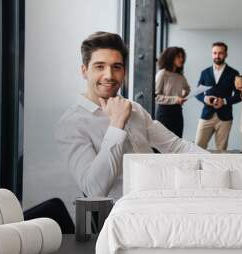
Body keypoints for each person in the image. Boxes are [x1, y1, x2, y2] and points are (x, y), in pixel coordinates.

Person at [55, 32, 205, 200]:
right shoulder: (72, 123)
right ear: (84, 71)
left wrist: (222, 164)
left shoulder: (134, 108)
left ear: (124, 72)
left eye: (116, 67)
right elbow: (94, 190)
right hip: (123, 216)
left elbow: (176, 147)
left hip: (161, 199)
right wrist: (117, 124)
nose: (109, 75)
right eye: (99, 66)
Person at [195, 42, 242, 151]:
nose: (217, 56)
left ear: (226, 54)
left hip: (225, 118)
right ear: (212, 54)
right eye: (214, 53)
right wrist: (205, 99)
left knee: (221, 151)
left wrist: (224, 101)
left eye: (220, 53)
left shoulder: (233, 73)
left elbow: (239, 96)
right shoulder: (205, 72)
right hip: (207, 115)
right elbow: (197, 93)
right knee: (197, 147)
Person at [155, 47, 190, 138]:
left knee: (177, 140)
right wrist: (175, 99)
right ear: (170, 57)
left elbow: (187, 89)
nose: (181, 59)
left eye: (182, 57)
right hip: (165, 112)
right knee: (163, 141)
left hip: (177, 112)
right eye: (178, 56)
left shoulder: (180, 76)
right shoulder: (162, 74)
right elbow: (156, 97)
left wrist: (182, 96)